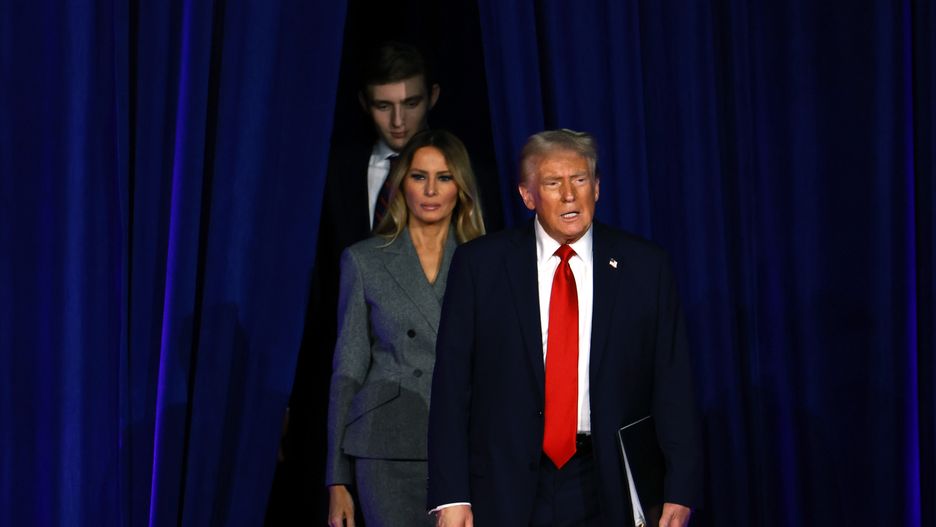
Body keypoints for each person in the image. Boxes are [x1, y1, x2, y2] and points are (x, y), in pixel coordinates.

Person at [427, 129, 703, 526]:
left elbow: (673, 383)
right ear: (527, 195)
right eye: (553, 183)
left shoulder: (645, 267)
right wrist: (451, 496)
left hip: (606, 480)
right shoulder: (480, 266)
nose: (570, 195)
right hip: (507, 484)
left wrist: (680, 488)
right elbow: (452, 387)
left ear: (597, 188)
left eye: (580, 180)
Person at [326, 129, 487, 527]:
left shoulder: (488, 263)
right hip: (385, 448)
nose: (431, 190)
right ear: (401, 184)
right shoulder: (364, 261)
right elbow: (347, 370)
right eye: (419, 176)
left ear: (461, 188)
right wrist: (336, 480)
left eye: (444, 177)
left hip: (464, 448)